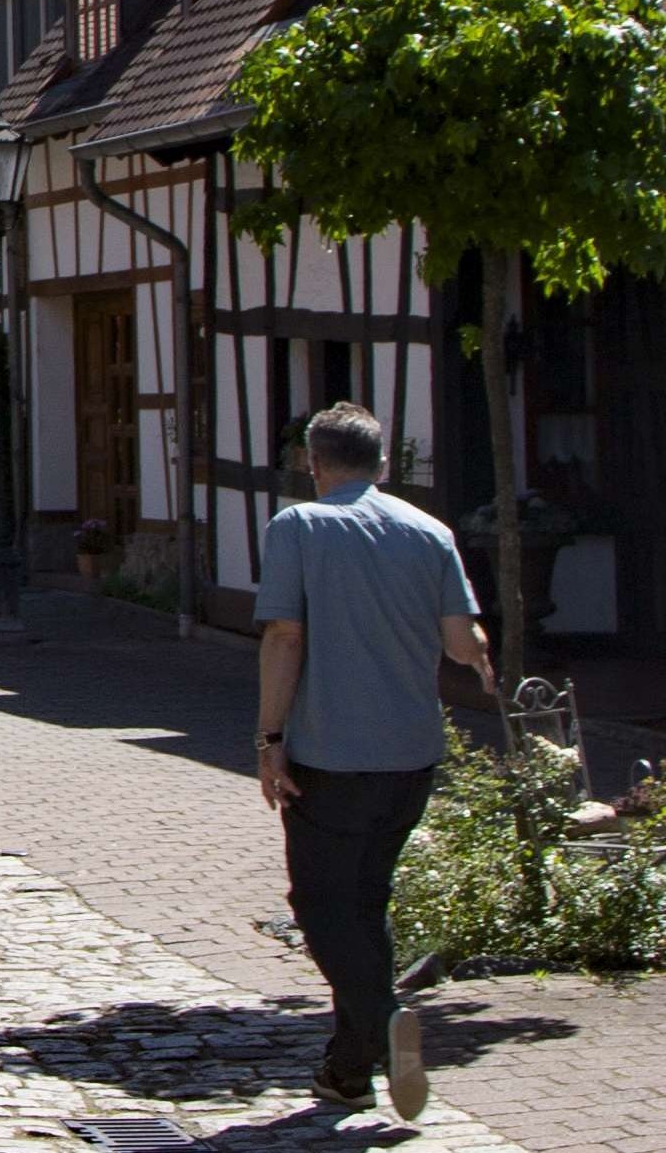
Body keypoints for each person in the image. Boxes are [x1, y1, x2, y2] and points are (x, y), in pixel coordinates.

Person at [254, 402, 493, 1121]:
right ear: (383, 463)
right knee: (366, 905)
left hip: (331, 756)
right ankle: (347, 1072)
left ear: (314, 464)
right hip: (411, 757)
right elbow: (463, 643)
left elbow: (285, 639)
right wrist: (483, 663)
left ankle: (387, 1027)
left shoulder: (299, 525)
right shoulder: (430, 531)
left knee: (320, 908)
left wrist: (269, 740)